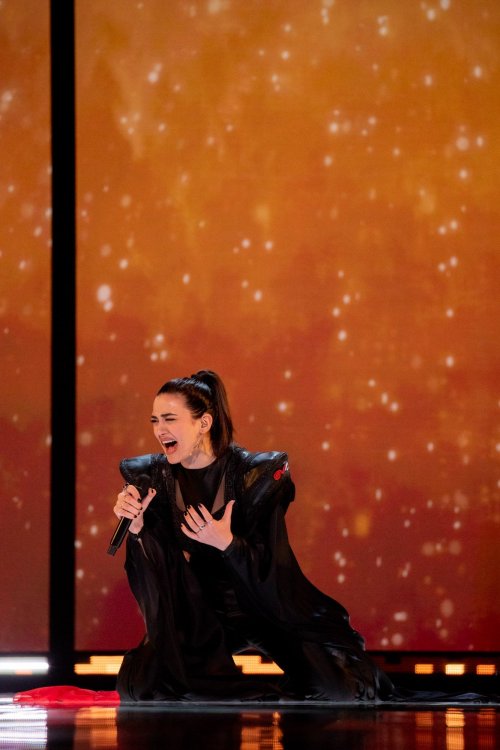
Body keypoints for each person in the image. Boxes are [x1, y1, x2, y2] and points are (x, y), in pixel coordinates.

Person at [113, 369, 394, 703]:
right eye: (155, 420)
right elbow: (159, 579)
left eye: (170, 419)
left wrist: (228, 545)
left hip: (263, 606)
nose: (160, 430)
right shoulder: (152, 477)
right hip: (200, 614)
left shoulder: (255, 474)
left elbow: (275, 565)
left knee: (340, 688)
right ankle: (251, 695)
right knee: (143, 683)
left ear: (204, 423)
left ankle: (278, 690)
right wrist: (138, 528)